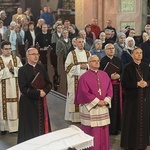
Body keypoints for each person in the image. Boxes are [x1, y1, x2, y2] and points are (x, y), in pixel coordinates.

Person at [74, 55, 113, 150]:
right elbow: (83, 92)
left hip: (103, 107)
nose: (97, 62)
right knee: (92, 133)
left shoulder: (104, 74)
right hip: (91, 109)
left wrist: (106, 100)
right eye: (94, 61)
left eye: (98, 60)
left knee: (103, 130)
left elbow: (110, 89)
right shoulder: (83, 77)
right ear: (88, 63)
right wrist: (97, 101)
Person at [17, 47, 52, 143]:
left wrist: (44, 91)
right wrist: (38, 93)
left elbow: (49, 83)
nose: (36, 56)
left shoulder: (41, 68)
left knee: (41, 125)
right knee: (29, 126)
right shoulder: (22, 70)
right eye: (33, 54)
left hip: (41, 101)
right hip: (28, 103)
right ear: (28, 56)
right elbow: (23, 89)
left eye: (37, 54)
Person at [120, 47, 150, 150]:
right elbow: (124, 84)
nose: (139, 55)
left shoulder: (146, 66)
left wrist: (146, 83)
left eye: (141, 53)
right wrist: (136, 84)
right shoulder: (127, 67)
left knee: (144, 121)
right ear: (132, 55)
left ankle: (144, 144)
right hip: (132, 100)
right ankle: (131, 144)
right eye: (137, 53)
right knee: (131, 121)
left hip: (144, 99)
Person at [65, 36, 90, 122]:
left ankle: (86, 115)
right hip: (75, 79)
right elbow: (67, 67)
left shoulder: (88, 53)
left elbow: (93, 64)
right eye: (79, 42)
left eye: (82, 42)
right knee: (75, 96)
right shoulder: (71, 54)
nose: (81, 44)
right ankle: (75, 118)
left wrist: (87, 66)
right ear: (75, 43)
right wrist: (79, 66)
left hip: (86, 80)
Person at [0, 41, 23, 135]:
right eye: (6, 49)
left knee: (15, 106)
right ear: (1, 49)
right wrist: (7, 69)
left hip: (15, 87)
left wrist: (13, 69)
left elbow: (21, 72)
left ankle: (15, 127)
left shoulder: (16, 59)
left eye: (9, 48)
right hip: (2, 88)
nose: (8, 51)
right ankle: (3, 128)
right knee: (3, 106)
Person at [100, 43, 123, 135]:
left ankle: (117, 127)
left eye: (112, 48)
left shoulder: (118, 60)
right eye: (109, 48)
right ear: (105, 50)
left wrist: (119, 76)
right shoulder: (102, 61)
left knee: (118, 107)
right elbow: (100, 74)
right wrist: (109, 76)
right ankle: (109, 129)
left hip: (118, 87)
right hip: (107, 87)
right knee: (110, 107)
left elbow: (123, 71)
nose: (111, 50)